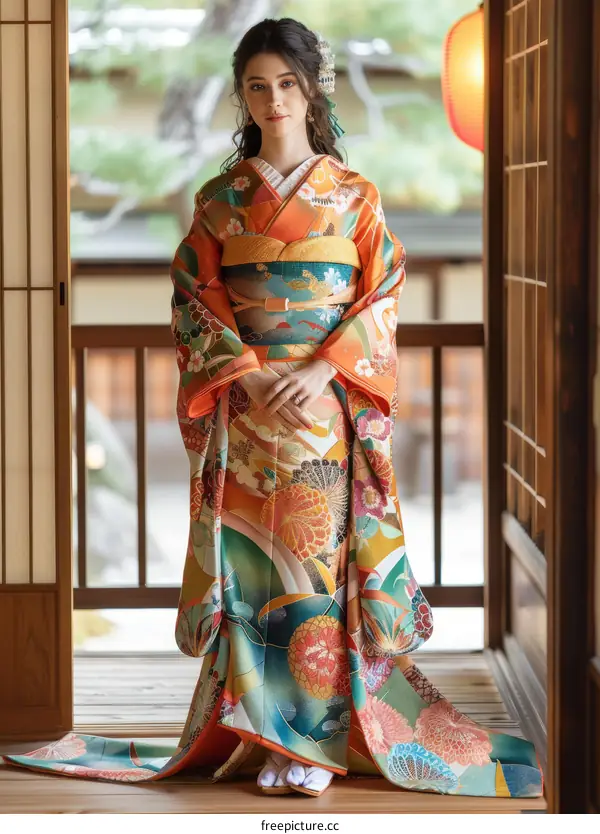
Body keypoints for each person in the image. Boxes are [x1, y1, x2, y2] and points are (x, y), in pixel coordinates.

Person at [3, 17, 543, 800]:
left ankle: (314, 745)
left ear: (313, 86)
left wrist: (327, 369)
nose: (272, 99)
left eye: (287, 83)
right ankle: (264, 737)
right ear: (242, 95)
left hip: (324, 412)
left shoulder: (354, 197)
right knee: (254, 578)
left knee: (317, 579)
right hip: (250, 414)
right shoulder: (220, 200)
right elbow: (195, 296)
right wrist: (248, 373)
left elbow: (380, 296)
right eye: (257, 86)